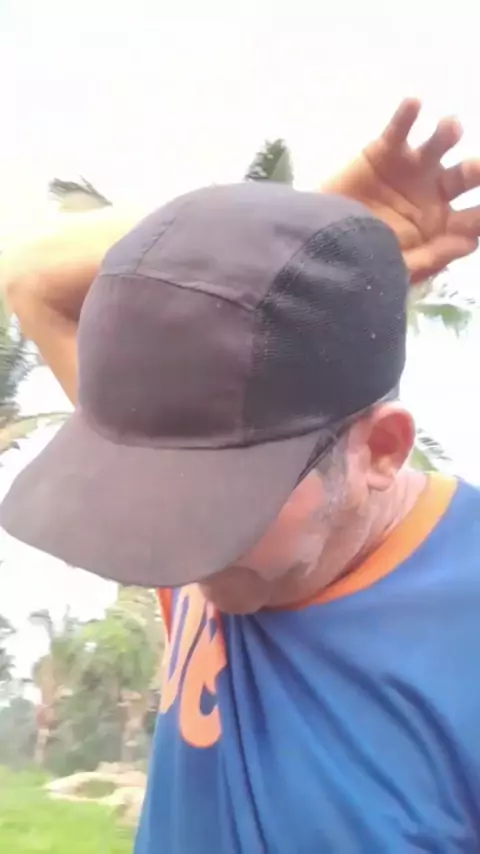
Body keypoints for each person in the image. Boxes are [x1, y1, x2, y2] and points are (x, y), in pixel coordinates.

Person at [1, 98, 480, 852]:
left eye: (232, 493)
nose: (181, 540)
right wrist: (311, 240)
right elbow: (32, 279)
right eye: (163, 483)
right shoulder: (194, 528)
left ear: (382, 451)